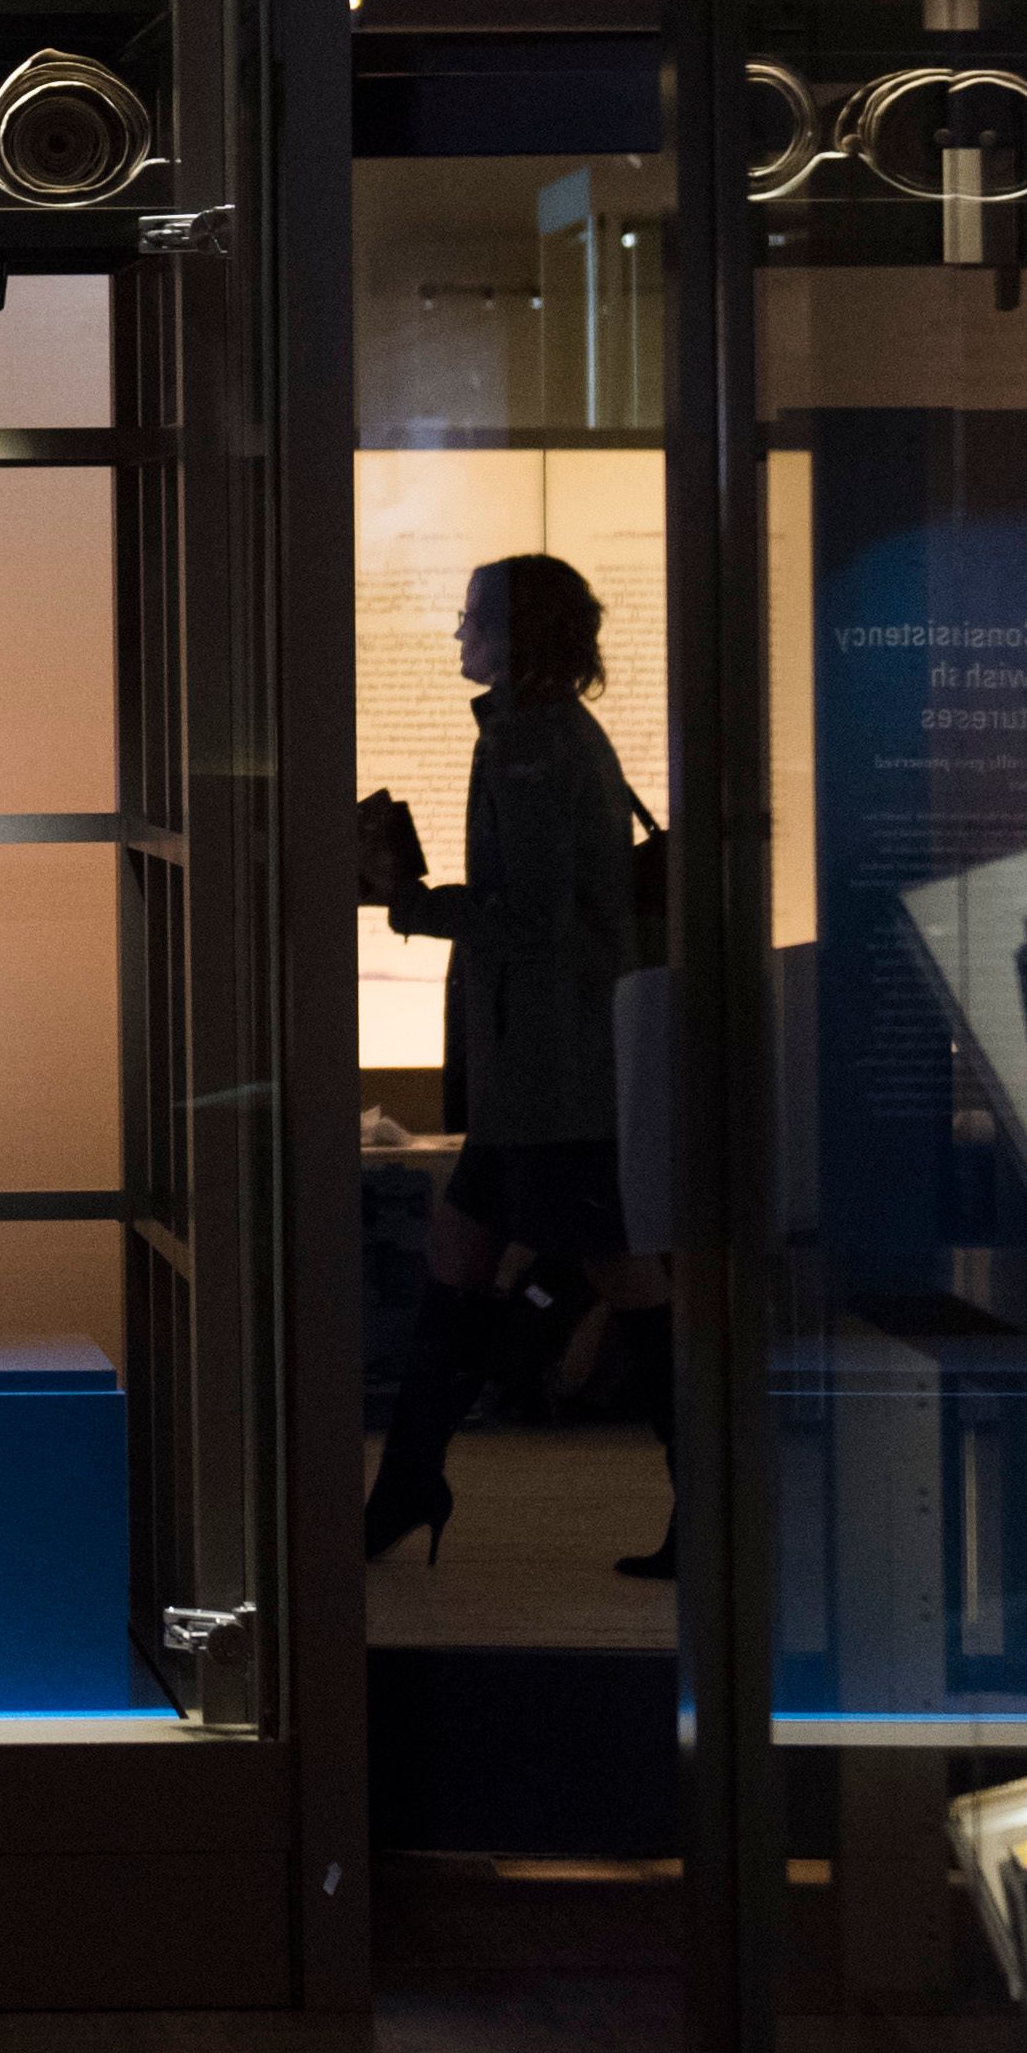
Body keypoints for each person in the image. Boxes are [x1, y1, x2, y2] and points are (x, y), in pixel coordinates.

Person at [359, 553, 647, 1566]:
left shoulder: (527, 743)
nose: (457, 633)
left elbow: (528, 920)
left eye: (473, 615)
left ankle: (711, 1508)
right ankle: (406, 1486)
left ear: (516, 633)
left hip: (551, 1082)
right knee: (459, 1262)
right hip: (547, 1076)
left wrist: (407, 900)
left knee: (624, 1285)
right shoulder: (555, 730)